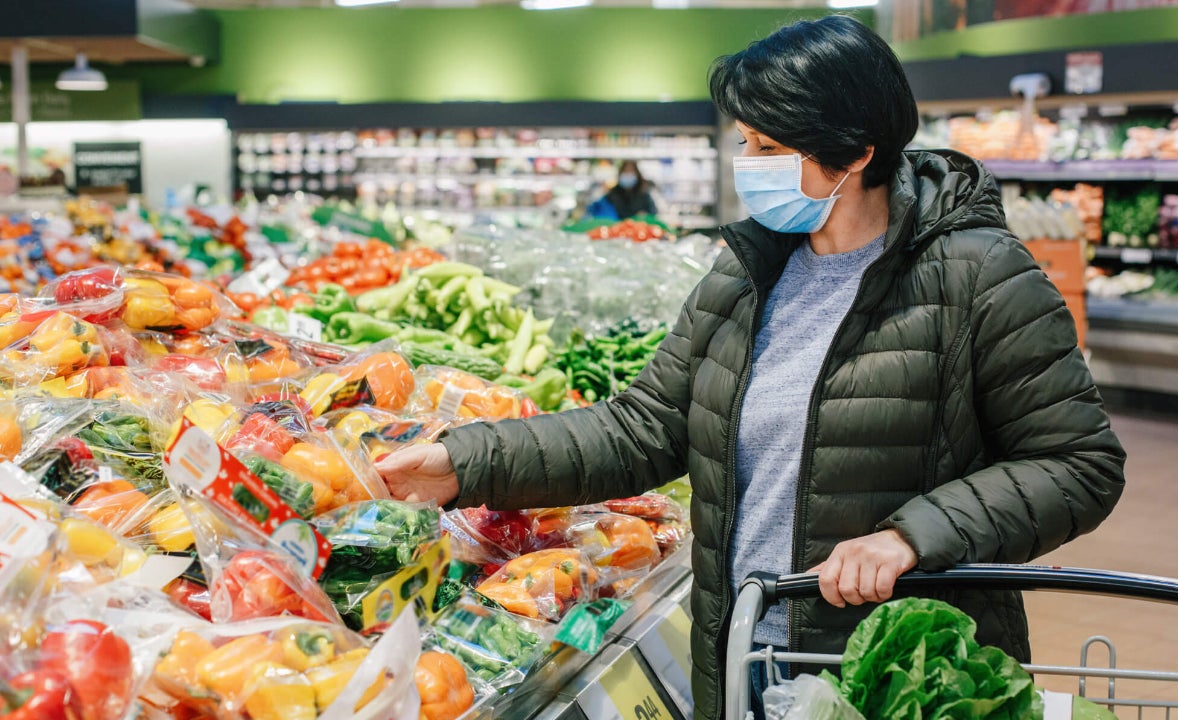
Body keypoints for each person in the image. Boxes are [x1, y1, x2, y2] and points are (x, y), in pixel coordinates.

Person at [377, 15, 1125, 720]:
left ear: (857, 150)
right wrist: (464, 462)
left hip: (898, 670)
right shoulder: (744, 277)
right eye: (745, 143)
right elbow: (643, 431)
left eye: (770, 148)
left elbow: (1079, 462)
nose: (748, 168)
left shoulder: (979, 276)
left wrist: (911, 536)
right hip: (744, 652)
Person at [586, 160, 658, 220]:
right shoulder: (612, 194)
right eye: (625, 171)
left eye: (631, 171)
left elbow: (653, 214)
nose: (628, 174)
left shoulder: (645, 195)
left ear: (637, 174)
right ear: (620, 174)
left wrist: (646, 216)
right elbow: (597, 210)